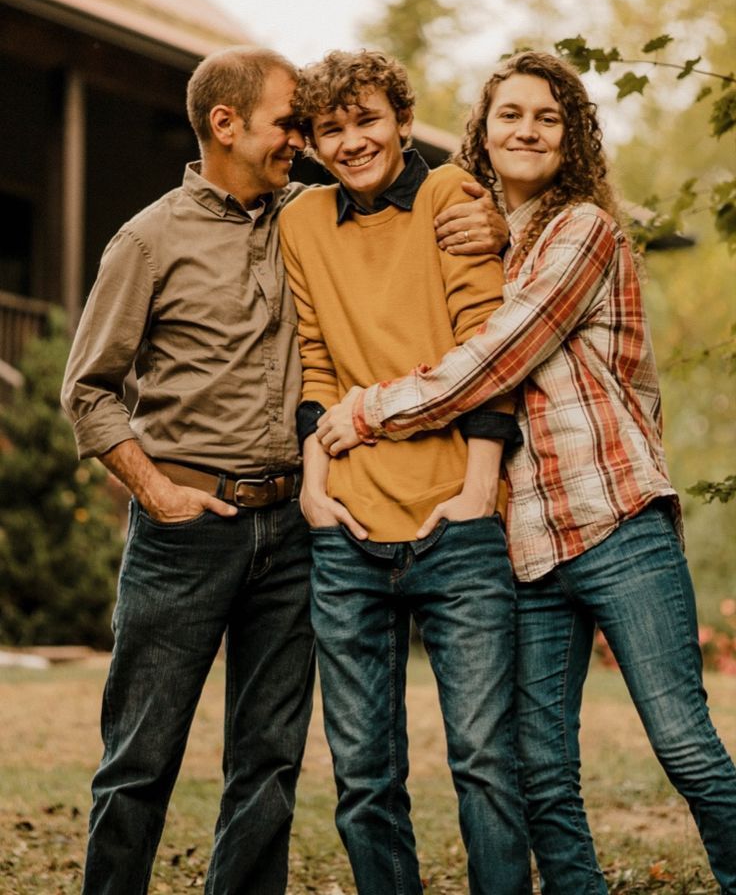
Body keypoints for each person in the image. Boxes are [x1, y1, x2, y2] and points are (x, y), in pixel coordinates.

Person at [315, 51, 736, 893]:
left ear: (571, 135)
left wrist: (363, 412)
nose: (527, 129)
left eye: (547, 116)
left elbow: (494, 357)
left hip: (616, 522)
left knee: (685, 745)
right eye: (510, 114)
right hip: (526, 544)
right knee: (543, 774)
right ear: (484, 128)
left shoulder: (584, 229)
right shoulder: (482, 237)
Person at [61, 47, 315, 895]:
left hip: (292, 531)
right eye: (288, 120)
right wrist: (158, 492)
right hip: (186, 531)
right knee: (140, 757)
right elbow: (86, 391)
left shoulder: (307, 222)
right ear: (225, 123)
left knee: (270, 762)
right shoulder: (148, 238)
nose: (300, 138)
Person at [278, 49, 531, 894]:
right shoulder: (302, 223)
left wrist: (474, 495)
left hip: (454, 526)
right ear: (312, 142)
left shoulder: (450, 196)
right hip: (347, 531)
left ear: (400, 117)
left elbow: (489, 349)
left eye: (368, 119)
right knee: (363, 777)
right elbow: (315, 362)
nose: (353, 141)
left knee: (488, 764)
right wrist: (315, 486)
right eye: (333, 129)